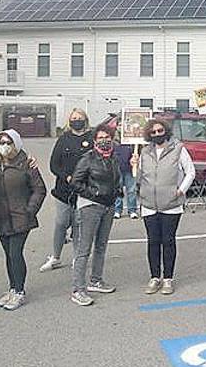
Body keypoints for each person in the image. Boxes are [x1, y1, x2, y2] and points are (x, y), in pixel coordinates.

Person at [132, 119, 196, 296]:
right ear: (149, 134)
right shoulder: (145, 151)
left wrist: (180, 191)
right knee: (153, 242)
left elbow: (190, 172)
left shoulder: (178, 149)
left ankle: (168, 278)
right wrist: (134, 166)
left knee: (168, 241)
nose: (157, 134)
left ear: (166, 131)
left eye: (160, 131)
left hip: (171, 205)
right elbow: (138, 179)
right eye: (153, 132)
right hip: (149, 204)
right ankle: (154, 277)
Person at [0, 129, 47, 311]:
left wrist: (30, 210)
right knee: (8, 255)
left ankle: (20, 291)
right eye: (2, 142)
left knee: (15, 254)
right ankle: (12, 288)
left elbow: (39, 189)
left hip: (21, 218)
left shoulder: (26, 164)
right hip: (1, 217)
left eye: (9, 142)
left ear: (16, 144)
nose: (5, 146)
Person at [69, 125, 122, 306]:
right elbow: (75, 182)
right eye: (100, 137)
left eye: (107, 137)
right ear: (94, 140)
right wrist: (94, 194)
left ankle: (96, 280)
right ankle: (78, 289)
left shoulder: (113, 158)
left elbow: (116, 179)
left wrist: (116, 193)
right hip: (90, 206)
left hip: (108, 206)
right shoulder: (87, 159)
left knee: (101, 245)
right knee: (84, 249)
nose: (104, 140)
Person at [40, 108, 93, 272]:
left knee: (79, 224)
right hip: (64, 190)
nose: (77, 120)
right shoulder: (64, 139)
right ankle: (55, 257)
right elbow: (54, 165)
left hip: (84, 190)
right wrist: (67, 177)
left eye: (80, 117)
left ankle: (77, 258)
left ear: (86, 120)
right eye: (74, 118)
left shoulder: (91, 139)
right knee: (61, 223)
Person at [113, 142, 138, 220]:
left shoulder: (133, 142)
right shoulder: (114, 141)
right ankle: (117, 210)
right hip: (117, 168)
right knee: (118, 190)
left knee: (131, 190)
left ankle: (132, 210)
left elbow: (138, 153)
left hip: (130, 169)